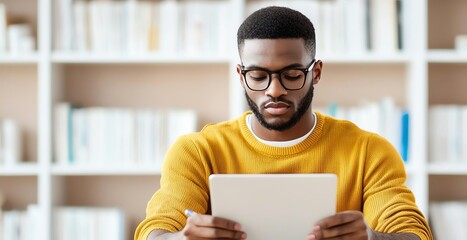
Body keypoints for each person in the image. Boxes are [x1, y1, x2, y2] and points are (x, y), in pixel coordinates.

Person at [135, 6, 431, 240]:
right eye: (258, 75)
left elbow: (413, 233)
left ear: (315, 72)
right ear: (240, 76)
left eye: (291, 74)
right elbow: (156, 230)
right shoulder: (197, 151)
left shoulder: (369, 151)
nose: (274, 90)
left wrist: (372, 238)